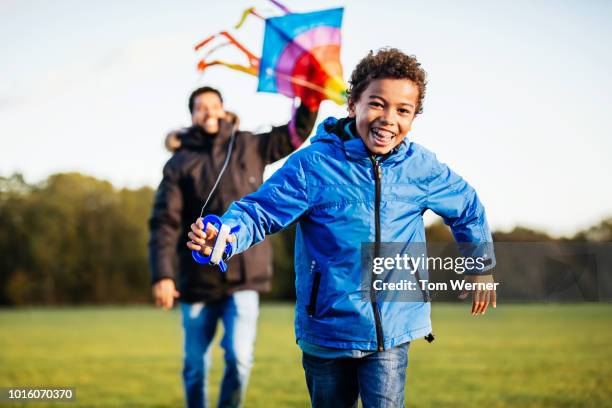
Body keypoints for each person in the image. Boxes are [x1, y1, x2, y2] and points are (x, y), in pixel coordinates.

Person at [188, 48, 498, 407]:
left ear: (414, 116)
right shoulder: (314, 164)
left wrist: (480, 266)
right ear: (353, 104)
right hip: (328, 330)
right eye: (377, 104)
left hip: (391, 332)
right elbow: (259, 212)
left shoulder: (421, 168)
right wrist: (223, 235)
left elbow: (468, 207)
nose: (388, 119)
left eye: (403, 110)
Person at [149, 86, 318, 408]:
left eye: (214, 105)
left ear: (224, 110)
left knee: (240, 360)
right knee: (195, 367)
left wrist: (309, 99)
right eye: (200, 107)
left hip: (244, 276)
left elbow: (295, 135)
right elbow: (165, 224)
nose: (208, 111)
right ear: (192, 116)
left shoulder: (249, 144)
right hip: (196, 280)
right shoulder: (179, 163)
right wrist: (163, 276)